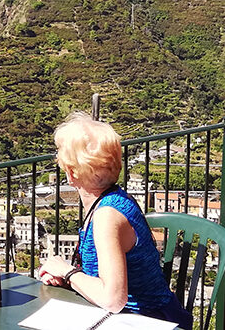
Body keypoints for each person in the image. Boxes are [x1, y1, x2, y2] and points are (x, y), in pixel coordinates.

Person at [38, 112, 192, 329]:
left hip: (147, 321)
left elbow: (113, 299)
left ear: (71, 173)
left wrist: (67, 271)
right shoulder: (114, 199)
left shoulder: (107, 216)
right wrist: (71, 279)